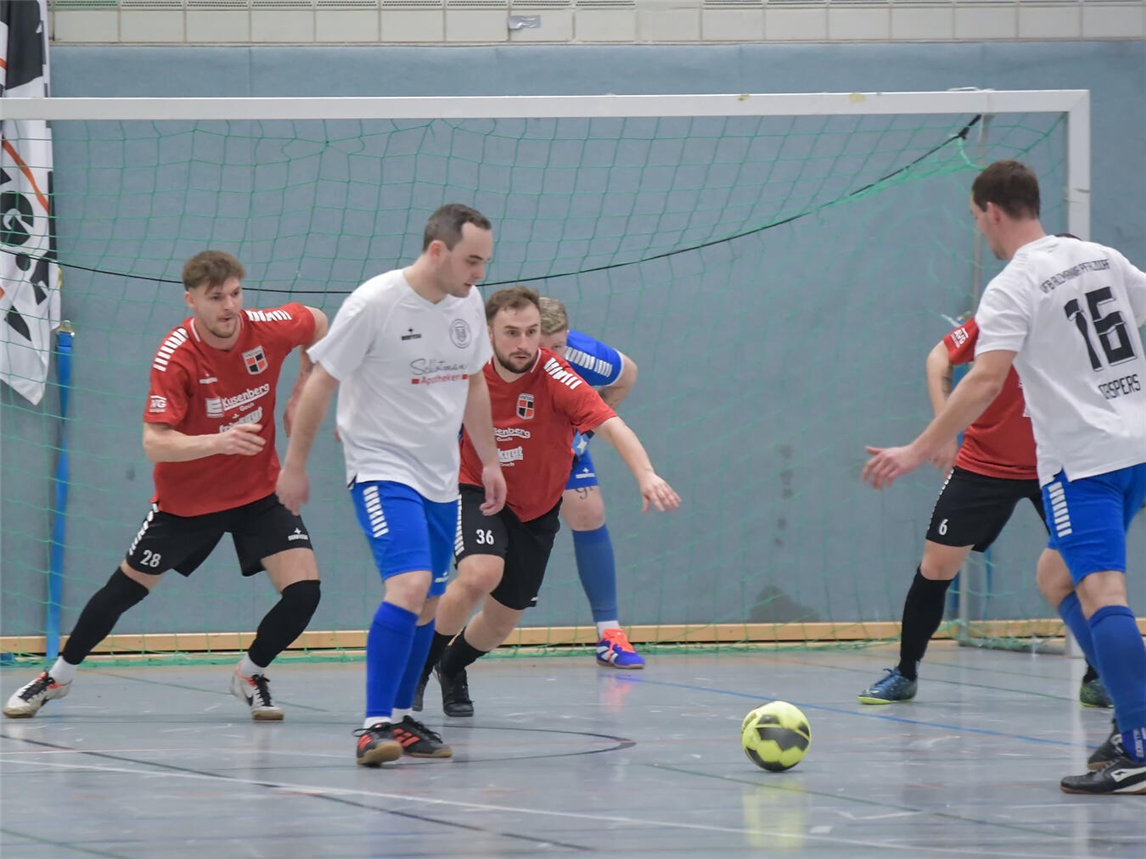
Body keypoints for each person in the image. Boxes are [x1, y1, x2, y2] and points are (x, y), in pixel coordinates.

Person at [862, 160, 1146, 795]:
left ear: (990, 211)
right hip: (1136, 449)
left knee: (1102, 590)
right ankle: (1132, 719)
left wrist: (921, 446)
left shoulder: (1013, 283)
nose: (979, 229)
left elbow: (986, 379)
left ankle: (1140, 740)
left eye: (975, 217)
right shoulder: (1098, 256)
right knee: (1056, 576)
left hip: (1085, 463)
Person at [4, 251, 327, 721]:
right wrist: (220, 441)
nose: (229, 307)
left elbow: (318, 323)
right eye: (216, 298)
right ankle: (57, 677)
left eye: (236, 294)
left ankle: (250, 673)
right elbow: (155, 442)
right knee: (124, 591)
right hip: (187, 503)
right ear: (191, 299)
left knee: (305, 593)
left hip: (259, 490)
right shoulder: (176, 354)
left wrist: (303, 388)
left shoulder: (268, 326)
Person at [275, 204, 506, 767]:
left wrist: (492, 461)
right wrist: (294, 465)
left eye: (484, 262)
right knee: (410, 582)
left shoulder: (468, 303)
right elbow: (321, 383)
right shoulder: (374, 303)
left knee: (428, 597)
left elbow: (475, 381)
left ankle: (401, 718)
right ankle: (373, 725)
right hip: (381, 466)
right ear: (437, 252)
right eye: (471, 260)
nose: (479, 273)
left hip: (440, 473)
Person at [416, 286, 680, 717]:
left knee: (502, 621)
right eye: (512, 333)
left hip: (536, 509)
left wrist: (645, 473)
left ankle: (452, 667)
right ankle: (417, 670)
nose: (524, 344)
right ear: (489, 332)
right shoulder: (466, 369)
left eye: (532, 332)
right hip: (475, 487)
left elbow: (613, 425)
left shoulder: (558, 376)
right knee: (480, 573)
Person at [858, 313, 1108, 708]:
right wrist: (943, 429)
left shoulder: (1084, 321)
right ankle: (905, 672)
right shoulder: (1005, 314)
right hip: (984, 465)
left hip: (1058, 465)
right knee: (936, 567)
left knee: (1084, 568)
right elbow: (939, 356)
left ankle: (1099, 677)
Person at [536, 296, 645, 669]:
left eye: (558, 346)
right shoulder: (499, 356)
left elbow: (627, 373)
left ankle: (609, 634)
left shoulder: (583, 356)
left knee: (588, 512)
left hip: (557, 445)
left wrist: (583, 435)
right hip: (498, 449)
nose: (550, 355)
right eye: (541, 347)